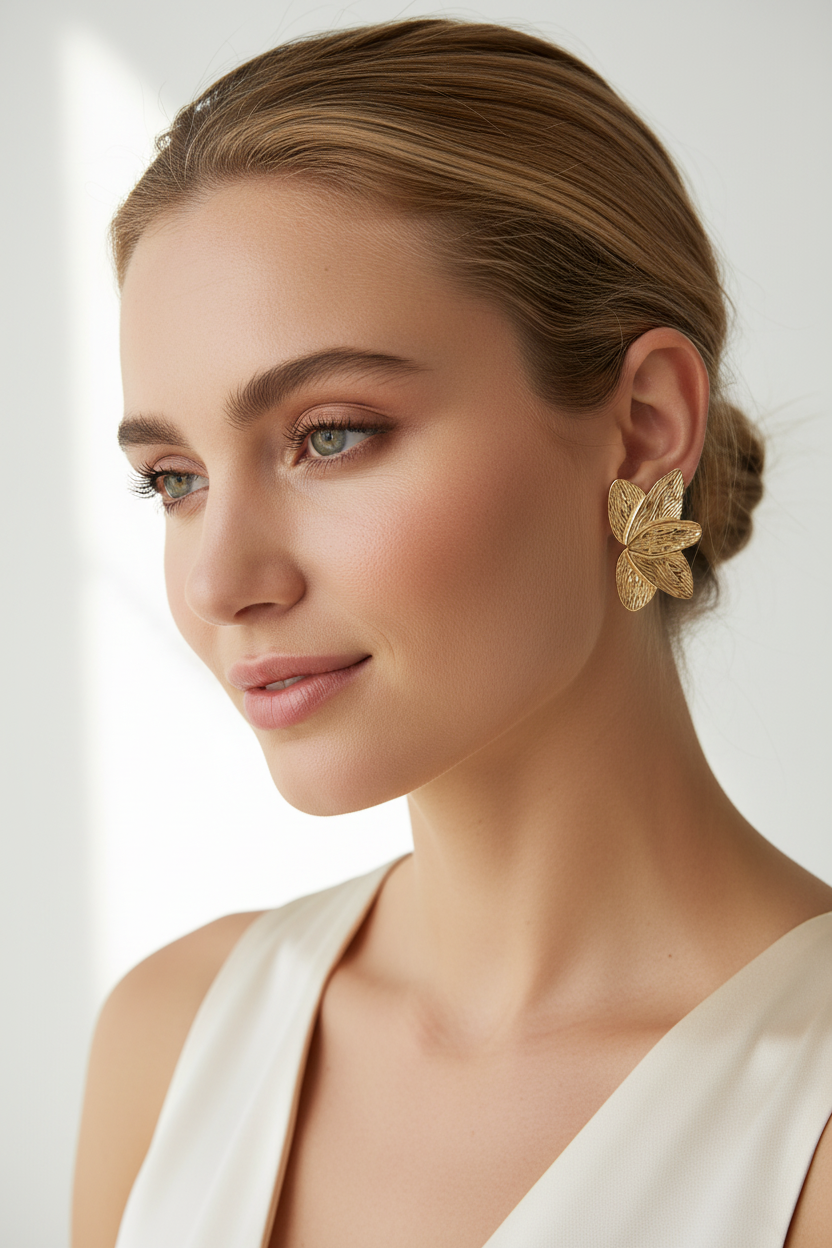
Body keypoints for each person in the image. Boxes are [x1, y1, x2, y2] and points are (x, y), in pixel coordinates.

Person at [71, 18, 832, 1247]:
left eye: (330, 435)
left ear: (643, 425)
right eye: (173, 477)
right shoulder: (169, 1039)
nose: (220, 579)